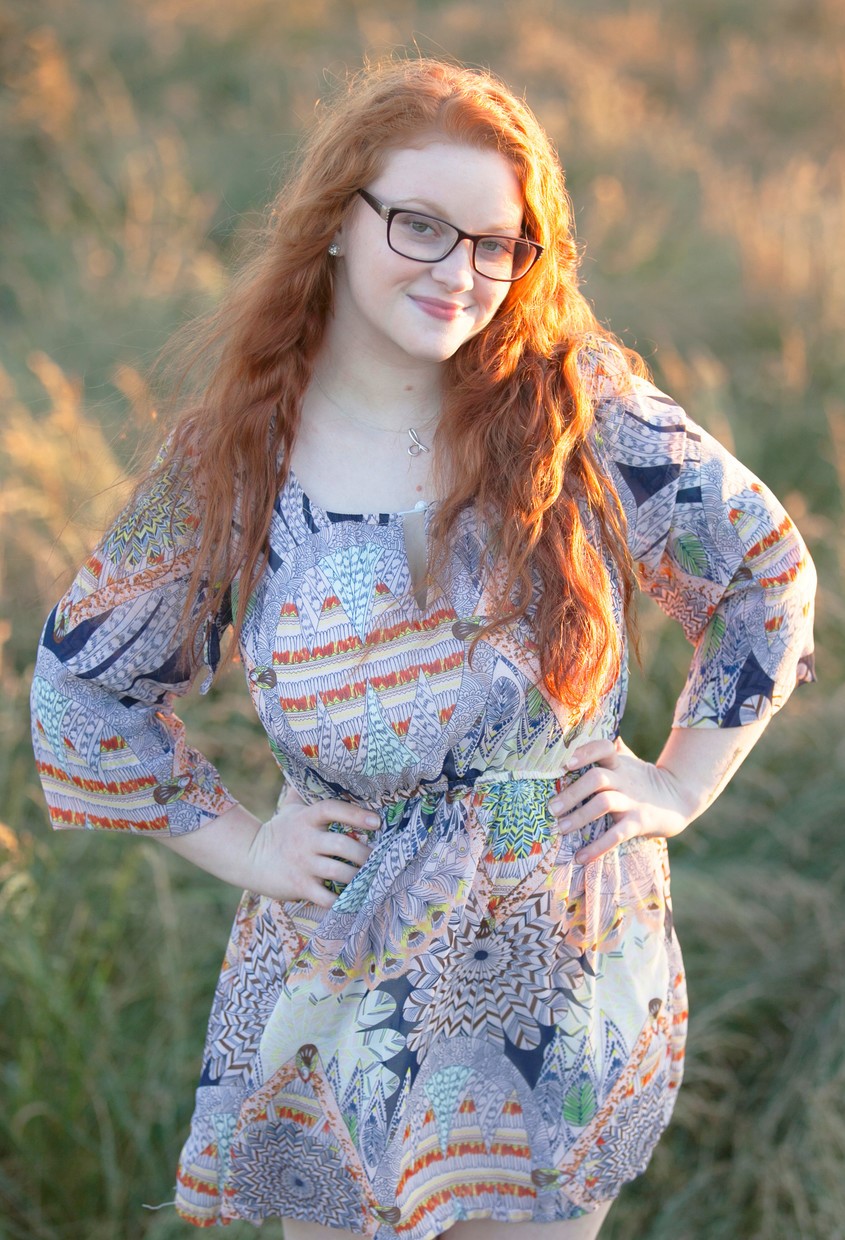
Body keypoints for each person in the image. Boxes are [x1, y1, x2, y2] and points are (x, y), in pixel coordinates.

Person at [30, 57, 816, 1240]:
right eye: (420, 225)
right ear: (337, 220)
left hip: (554, 971)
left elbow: (760, 572)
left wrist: (680, 782)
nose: (459, 273)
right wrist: (247, 845)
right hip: (337, 976)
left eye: (498, 244)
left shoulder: (577, 409)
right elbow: (84, 685)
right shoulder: (238, 453)